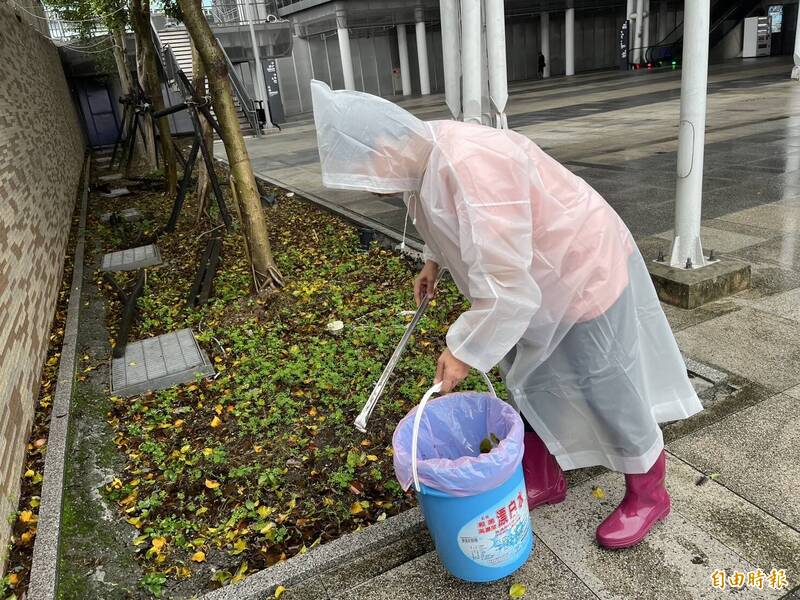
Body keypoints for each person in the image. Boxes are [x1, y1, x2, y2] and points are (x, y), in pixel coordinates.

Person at [310, 80, 703, 549]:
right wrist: (433, 260)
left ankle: (649, 491)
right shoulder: (418, 153)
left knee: (604, 382)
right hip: (530, 276)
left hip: (578, 268)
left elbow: (510, 290)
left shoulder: (473, 166)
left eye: (368, 175)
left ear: (389, 143)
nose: (372, 188)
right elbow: (442, 218)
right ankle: (544, 473)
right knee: (527, 376)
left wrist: (463, 350)